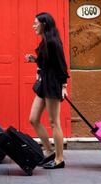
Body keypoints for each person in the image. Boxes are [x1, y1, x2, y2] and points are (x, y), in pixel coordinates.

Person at [24, 12, 69, 169]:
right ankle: (49, 152)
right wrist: (35, 59)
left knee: (54, 122)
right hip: (44, 83)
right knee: (33, 119)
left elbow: (62, 65)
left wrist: (64, 86)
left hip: (53, 84)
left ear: (44, 24)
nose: (33, 26)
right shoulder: (45, 41)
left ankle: (59, 159)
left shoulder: (53, 42)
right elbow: (47, 63)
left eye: (35, 23)